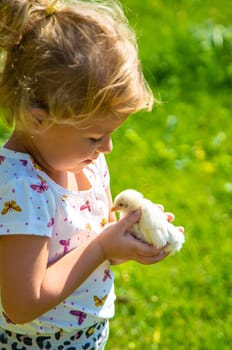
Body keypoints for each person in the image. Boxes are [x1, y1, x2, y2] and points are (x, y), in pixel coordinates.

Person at [0, 0, 180, 349]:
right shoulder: (22, 189)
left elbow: (84, 250)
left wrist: (126, 239)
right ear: (39, 118)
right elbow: (23, 304)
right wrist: (102, 246)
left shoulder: (88, 163)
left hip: (86, 336)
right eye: (95, 137)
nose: (108, 148)